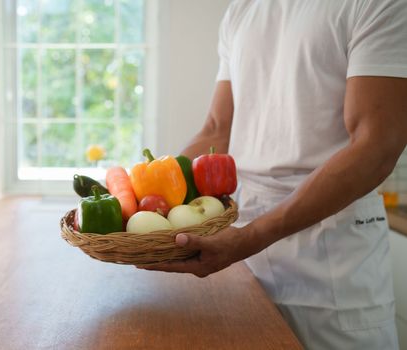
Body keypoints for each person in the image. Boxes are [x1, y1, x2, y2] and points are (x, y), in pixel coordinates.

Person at [139, 0, 407, 348]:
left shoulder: (380, 4)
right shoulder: (243, 9)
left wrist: (250, 237)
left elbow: (376, 147)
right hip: (242, 249)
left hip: (330, 261)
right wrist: (137, 200)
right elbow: (217, 129)